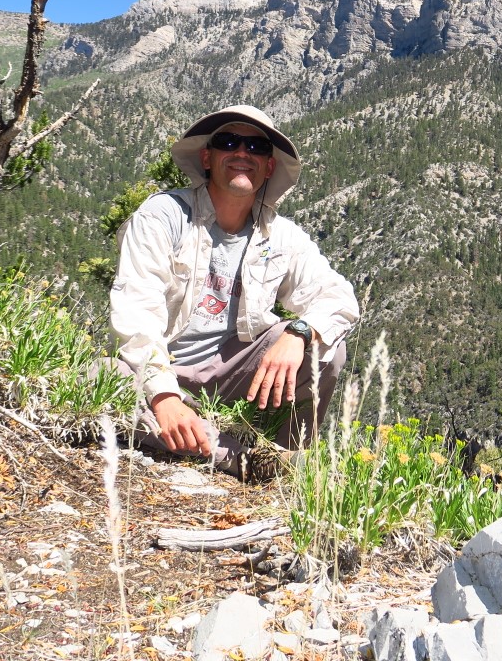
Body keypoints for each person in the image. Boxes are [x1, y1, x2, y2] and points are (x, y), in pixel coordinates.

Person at [109, 104, 359, 478]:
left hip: (236, 375)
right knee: (101, 379)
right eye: (228, 141)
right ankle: (241, 457)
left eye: (257, 147)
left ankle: (285, 459)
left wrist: (299, 332)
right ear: (208, 158)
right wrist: (162, 393)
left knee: (325, 348)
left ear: (269, 167)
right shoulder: (163, 215)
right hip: (168, 365)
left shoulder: (282, 235)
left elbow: (338, 297)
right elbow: (137, 311)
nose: (242, 153)